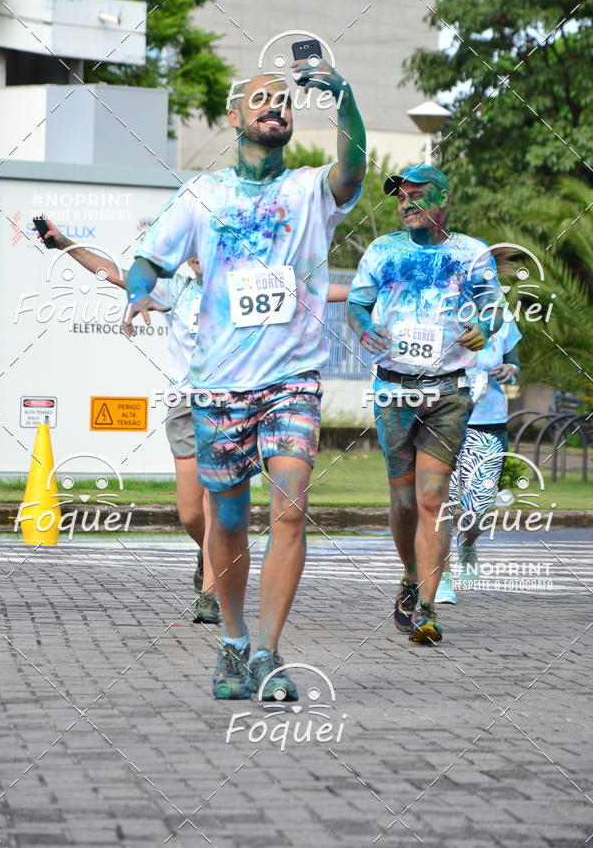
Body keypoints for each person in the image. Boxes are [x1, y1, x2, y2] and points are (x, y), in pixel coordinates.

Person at [124, 63, 365, 698]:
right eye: (260, 100)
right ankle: (231, 641)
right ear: (236, 117)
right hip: (221, 385)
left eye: (284, 102)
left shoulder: (312, 190)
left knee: (290, 512)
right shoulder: (204, 195)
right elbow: (149, 258)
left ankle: (267, 649)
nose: (275, 109)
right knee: (226, 521)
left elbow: (354, 170)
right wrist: (139, 292)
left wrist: (345, 100)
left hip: (292, 380)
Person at [31, 217, 220, 624]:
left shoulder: (236, 287)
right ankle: (207, 555)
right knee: (190, 513)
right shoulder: (176, 286)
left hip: (228, 406)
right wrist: (65, 243)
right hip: (184, 404)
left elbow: (302, 292)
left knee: (215, 503)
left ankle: (210, 595)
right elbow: (114, 273)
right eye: (193, 246)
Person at [347, 164, 505, 644]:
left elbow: (494, 305)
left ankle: (428, 609)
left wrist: (487, 326)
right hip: (394, 390)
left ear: (441, 200)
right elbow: (356, 304)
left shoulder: (471, 253)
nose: (405, 204)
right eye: (401, 198)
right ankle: (411, 577)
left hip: (448, 390)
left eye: (416, 197)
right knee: (402, 502)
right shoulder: (382, 250)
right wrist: (363, 327)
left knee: (432, 499)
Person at [435, 319, 521, 604]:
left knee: (480, 506)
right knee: (440, 503)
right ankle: (442, 577)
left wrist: (511, 370)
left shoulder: (503, 317)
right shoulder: (441, 309)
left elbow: (513, 362)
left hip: (488, 423)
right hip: (441, 421)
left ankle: (467, 542)